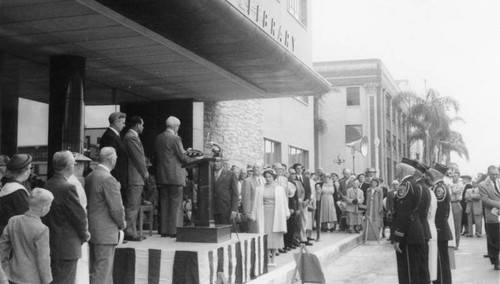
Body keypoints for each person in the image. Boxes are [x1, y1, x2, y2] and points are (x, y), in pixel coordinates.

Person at [43, 150, 90, 284]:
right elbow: (79, 217)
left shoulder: (48, 184)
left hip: (53, 242)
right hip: (67, 246)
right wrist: (84, 235)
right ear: (69, 166)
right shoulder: (67, 187)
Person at [86, 147, 126, 283]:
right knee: (103, 272)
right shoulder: (109, 179)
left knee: (96, 269)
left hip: (92, 229)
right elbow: (117, 209)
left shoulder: (91, 176)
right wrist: (122, 224)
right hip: (106, 232)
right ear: (111, 159)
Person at [0, 188, 53, 284]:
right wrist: (47, 281)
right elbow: (43, 259)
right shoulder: (42, 229)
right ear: (44, 209)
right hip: (32, 278)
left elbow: (2, 247)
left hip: (11, 274)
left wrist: (3, 268)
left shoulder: (14, 220)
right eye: (50, 205)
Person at [155, 116, 193, 237]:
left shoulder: (158, 138)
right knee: (176, 205)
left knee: (165, 203)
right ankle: (175, 230)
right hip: (175, 176)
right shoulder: (176, 138)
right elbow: (182, 157)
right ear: (175, 127)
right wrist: (191, 156)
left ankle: (165, 230)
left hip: (162, 175)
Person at [392, 158, 425, 284]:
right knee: (413, 271)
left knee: (407, 273)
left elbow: (403, 214)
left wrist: (398, 237)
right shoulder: (414, 183)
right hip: (414, 232)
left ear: (401, 169)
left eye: (396, 167)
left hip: (408, 235)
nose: (395, 170)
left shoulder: (405, 186)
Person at [250, 169, 290, 267]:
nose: (268, 179)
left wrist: (286, 212)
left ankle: (273, 258)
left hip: (276, 214)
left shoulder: (279, 189)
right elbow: (256, 203)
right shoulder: (259, 189)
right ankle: (267, 257)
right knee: (265, 235)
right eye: (266, 177)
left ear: (273, 177)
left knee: (275, 235)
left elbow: (284, 201)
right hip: (263, 213)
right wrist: (253, 214)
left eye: (269, 177)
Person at [123, 116, 149, 241]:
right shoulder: (131, 137)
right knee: (132, 205)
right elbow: (138, 157)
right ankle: (129, 231)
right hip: (135, 176)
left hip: (135, 176)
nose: (143, 127)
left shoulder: (131, 137)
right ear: (137, 125)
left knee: (134, 204)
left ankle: (132, 231)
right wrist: (145, 172)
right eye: (142, 125)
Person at [68, 153, 92, 284]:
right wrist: (84, 231)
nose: (82, 168)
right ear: (76, 165)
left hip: (74, 229)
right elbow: (79, 210)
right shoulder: (74, 183)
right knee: (80, 265)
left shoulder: (71, 180)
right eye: (81, 165)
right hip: (77, 229)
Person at [429, 163, 453, 283]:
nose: (429, 173)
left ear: (436, 173)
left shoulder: (439, 188)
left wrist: (436, 227)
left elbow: (440, 211)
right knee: (439, 260)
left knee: (440, 260)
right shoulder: (438, 186)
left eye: (432, 171)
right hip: (441, 229)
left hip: (439, 229)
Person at [99, 112, 128, 202]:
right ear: (116, 122)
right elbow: (110, 160)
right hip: (116, 180)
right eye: (123, 122)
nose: (124, 125)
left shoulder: (114, 136)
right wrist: (116, 180)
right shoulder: (110, 137)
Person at [0, 154, 32, 233]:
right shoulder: (17, 191)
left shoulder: (8, 186)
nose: (31, 171)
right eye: (30, 168)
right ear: (24, 171)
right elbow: (26, 217)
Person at [478, 165, 500, 271]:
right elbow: (485, 200)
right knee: (493, 239)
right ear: (488, 174)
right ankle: (495, 261)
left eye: (496, 174)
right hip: (492, 215)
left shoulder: (499, 182)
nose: (495, 176)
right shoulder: (482, 185)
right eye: (492, 174)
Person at [414, 161, 432, 284]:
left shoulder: (419, 187)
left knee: (420, 265)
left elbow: (417, 212)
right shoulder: (423, 186)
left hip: (419, 228)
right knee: (422, 264)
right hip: (423, 228)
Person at [212, 159, 239, 225]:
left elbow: (235, 193)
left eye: (218, 161)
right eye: (214, 161)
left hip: (225, 208)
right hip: (212, 208)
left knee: (225, 231)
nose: (215, 163)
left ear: (222, 162)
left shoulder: (230, 174)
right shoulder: (209, 174)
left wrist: (234, 209)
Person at [242, 163, 264, 233]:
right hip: (253, 210)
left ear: (262, 169)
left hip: (263, 209)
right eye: (254, 167)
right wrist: (247, 212)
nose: (256, 169)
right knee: (254, 231)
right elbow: (246, 198)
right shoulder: (248, 181)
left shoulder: (264, 180)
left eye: (258, 167)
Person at [449, 169, 464, 249]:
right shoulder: (451, 183)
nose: (453, 177)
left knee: (457, 226)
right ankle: (452, 242)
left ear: (458, 177)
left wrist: (450, 184)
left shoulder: (460, 184)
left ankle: (456, 244)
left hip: (456, 204)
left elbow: (454, 191)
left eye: (455, 176)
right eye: (452, 176)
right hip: (450, 204)